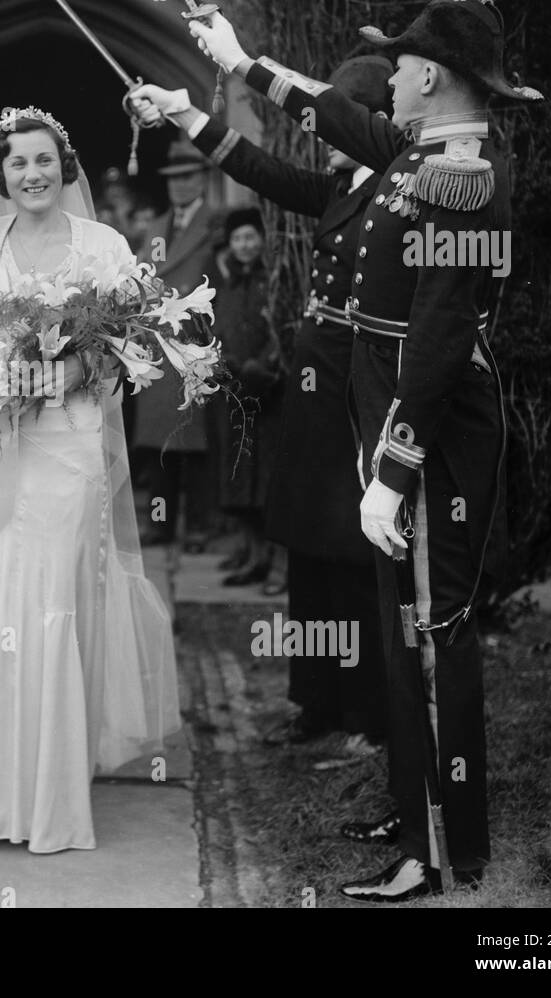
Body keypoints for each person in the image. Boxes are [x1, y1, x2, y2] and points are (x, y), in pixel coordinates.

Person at [188, 0, 540, 900]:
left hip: (429, 435)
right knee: (403, 629)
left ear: (430, 76)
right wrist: (242, 62)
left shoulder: (460, 173)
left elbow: (436, 340)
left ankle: (435, 849)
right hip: (392, 418)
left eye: (406, 64)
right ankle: (417, 805)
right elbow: (334, 114)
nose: (392, 79)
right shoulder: (421, 153)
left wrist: (392, 468)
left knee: (430, 635)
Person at [0, 107, 181, 852]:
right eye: (17, 163)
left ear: (65, 167)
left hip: (69, 447)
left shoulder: (104, 244)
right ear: (0, 174)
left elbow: (126, 351)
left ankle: (48, 800)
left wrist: (56, 372)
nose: (32, 174)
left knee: (51, 601)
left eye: (44, 161)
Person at [132, 55, 394, 763]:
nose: (328, 135)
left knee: (351, 556)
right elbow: (258, 170)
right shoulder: (343, 187)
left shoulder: (397, 191)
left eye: (348, 115)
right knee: (309, 553)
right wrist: (188, 113)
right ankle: (318, 703)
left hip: (357, 403)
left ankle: (371, 712)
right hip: (313, 403)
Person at [131, 140, 215, 549]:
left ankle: (197, 528)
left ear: (202, 179)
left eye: (188, 177)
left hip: (194, 343)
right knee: (161, 444)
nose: (180, 186)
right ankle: (161, 525)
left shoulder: (216, 224)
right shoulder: (156, 228)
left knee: (193, 445)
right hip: (157, 342)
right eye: (174, 179)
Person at [204, 206, 283, 588]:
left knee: (268, 482)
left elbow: (281, 332)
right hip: (234, 396)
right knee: (239, 479)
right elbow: (216, 331)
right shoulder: (227, 285)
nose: (245, 245)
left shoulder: (276, 281)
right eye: (238, 239)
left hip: (267, 394)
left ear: (262, 241)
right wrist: (225, 360)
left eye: (251, 237)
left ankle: (276, 562)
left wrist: (263, 364)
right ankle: (251, 554)